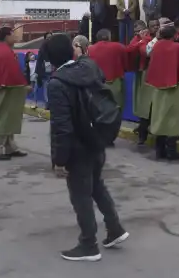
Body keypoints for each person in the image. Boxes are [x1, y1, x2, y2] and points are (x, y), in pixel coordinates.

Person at [47, 33, 128, 262]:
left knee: (80, 195)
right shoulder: (90, 67)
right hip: (97, 138)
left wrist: (59, 159)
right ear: (74, 51)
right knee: (97, 187)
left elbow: (61, 127)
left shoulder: (57, 83)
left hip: (77, 147)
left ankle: (88, 245)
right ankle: (115, 229)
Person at [146, 24, 179, 160]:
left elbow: (148, 52)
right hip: (175, 86)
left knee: (159, 116)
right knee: (173, 117)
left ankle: (159, 150)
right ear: (174, 35)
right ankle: (171, 152)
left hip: (158, 87)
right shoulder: (178, 48)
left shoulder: (156, 46)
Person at [0, 26, 30, 161]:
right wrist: (23, 85)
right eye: (13, 35)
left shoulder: (0, 49)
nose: (15, 37)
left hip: (5, 88)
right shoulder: (4, 52)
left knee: (9, 118)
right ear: (7, 36)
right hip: (7, 89)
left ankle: (10, 146)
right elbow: (11, 73)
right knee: (3, 118)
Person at [87, 29, 128, 111]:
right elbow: (126, 64)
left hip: (96, 84)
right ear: (109, 37)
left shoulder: (90, 49)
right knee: (116, 109)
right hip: (115, 83)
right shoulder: (119, 46)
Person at [127, 20, 153, 145]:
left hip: (151, 74)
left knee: (148, 105)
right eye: (136, 32)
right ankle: (143, 131)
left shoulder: (152, 39)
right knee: (143, 104)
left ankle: (144, 131)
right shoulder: (138, 39)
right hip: (142, 73)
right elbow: (131, 49)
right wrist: (141, 41)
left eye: (140, 30)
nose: (139, 33)